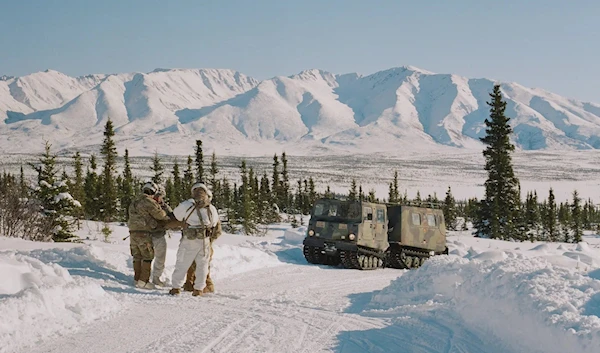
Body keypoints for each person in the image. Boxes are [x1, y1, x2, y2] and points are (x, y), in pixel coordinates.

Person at [169, 182, 222, 296]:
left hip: (189, 238)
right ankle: (198, 289)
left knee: (182, 263)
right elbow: (213, 223)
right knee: (202, 265)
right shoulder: (210, 207)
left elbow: (177, 215)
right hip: (204, 239)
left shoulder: (187, 204)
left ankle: (176, 287)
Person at [127, 181, 173, 289]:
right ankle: (144, 281)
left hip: (133, 232)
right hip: (144, 233)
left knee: (137, 256)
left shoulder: (134, 202)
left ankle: (137, 279)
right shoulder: (149, 201)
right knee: (147, 256)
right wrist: (167, 217)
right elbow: (160, 215)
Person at [150, 185, 173, 287]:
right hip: (147, 235)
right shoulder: (147, 204)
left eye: (160, 196)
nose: (159, 198)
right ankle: (143, 277)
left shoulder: (164, 206)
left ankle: (156, 277)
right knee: (146, 257)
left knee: (160, 258)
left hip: (159, 235)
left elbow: (172, 216)